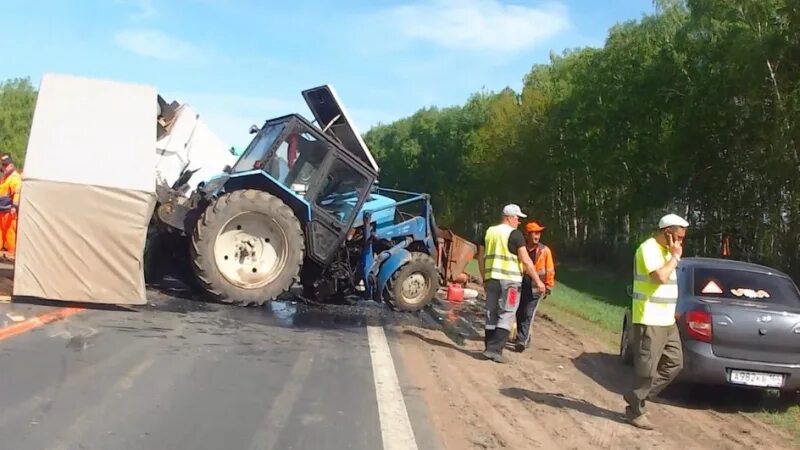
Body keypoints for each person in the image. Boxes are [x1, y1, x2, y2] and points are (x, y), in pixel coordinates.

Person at [623, 213, 689, 430]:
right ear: (667, 233)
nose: (681, 242)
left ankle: (636, 396)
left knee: (674, 363)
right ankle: (635, 411)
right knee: (647, 369)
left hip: (667, 320)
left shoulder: (667, 252)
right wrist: (675, 257)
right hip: (649, 318)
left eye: (682, 238)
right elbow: (659, 277)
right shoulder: (648, 249)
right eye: (678, 237)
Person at [482, 204, 545, 363]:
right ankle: (494, 350)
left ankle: (488, 346)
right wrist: (538, 281)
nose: (519, 222)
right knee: (508, 313)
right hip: (510, 282)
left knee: (491, 312)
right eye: (517, 218)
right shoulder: (515, 235)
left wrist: (485, 278)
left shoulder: (489, 232)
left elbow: (481, 257)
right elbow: (526, 260)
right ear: (509, 217)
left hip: (492, 279)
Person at [513, 220, 555, 352]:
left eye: (539, 233)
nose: (537, 236)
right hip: (520, 285)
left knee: (528, 313)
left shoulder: (544, 251)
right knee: (519, 312)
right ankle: (524, 336)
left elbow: (550, 269)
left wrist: (548, 286)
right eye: (534, 233)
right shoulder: (521, 248)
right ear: (527, 234)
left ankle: (522, 340)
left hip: (536, 288)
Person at [0, 155, 22, 260]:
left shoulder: (14, 177)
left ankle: (11, 252)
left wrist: (14, 206)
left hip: (9, 210)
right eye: (2, 165)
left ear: (11, 165)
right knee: (1, 231)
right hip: (2, 209)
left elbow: (17, 193)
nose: (3, 167)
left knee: (10, 231)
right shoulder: (5, 176)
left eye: (5, 165)